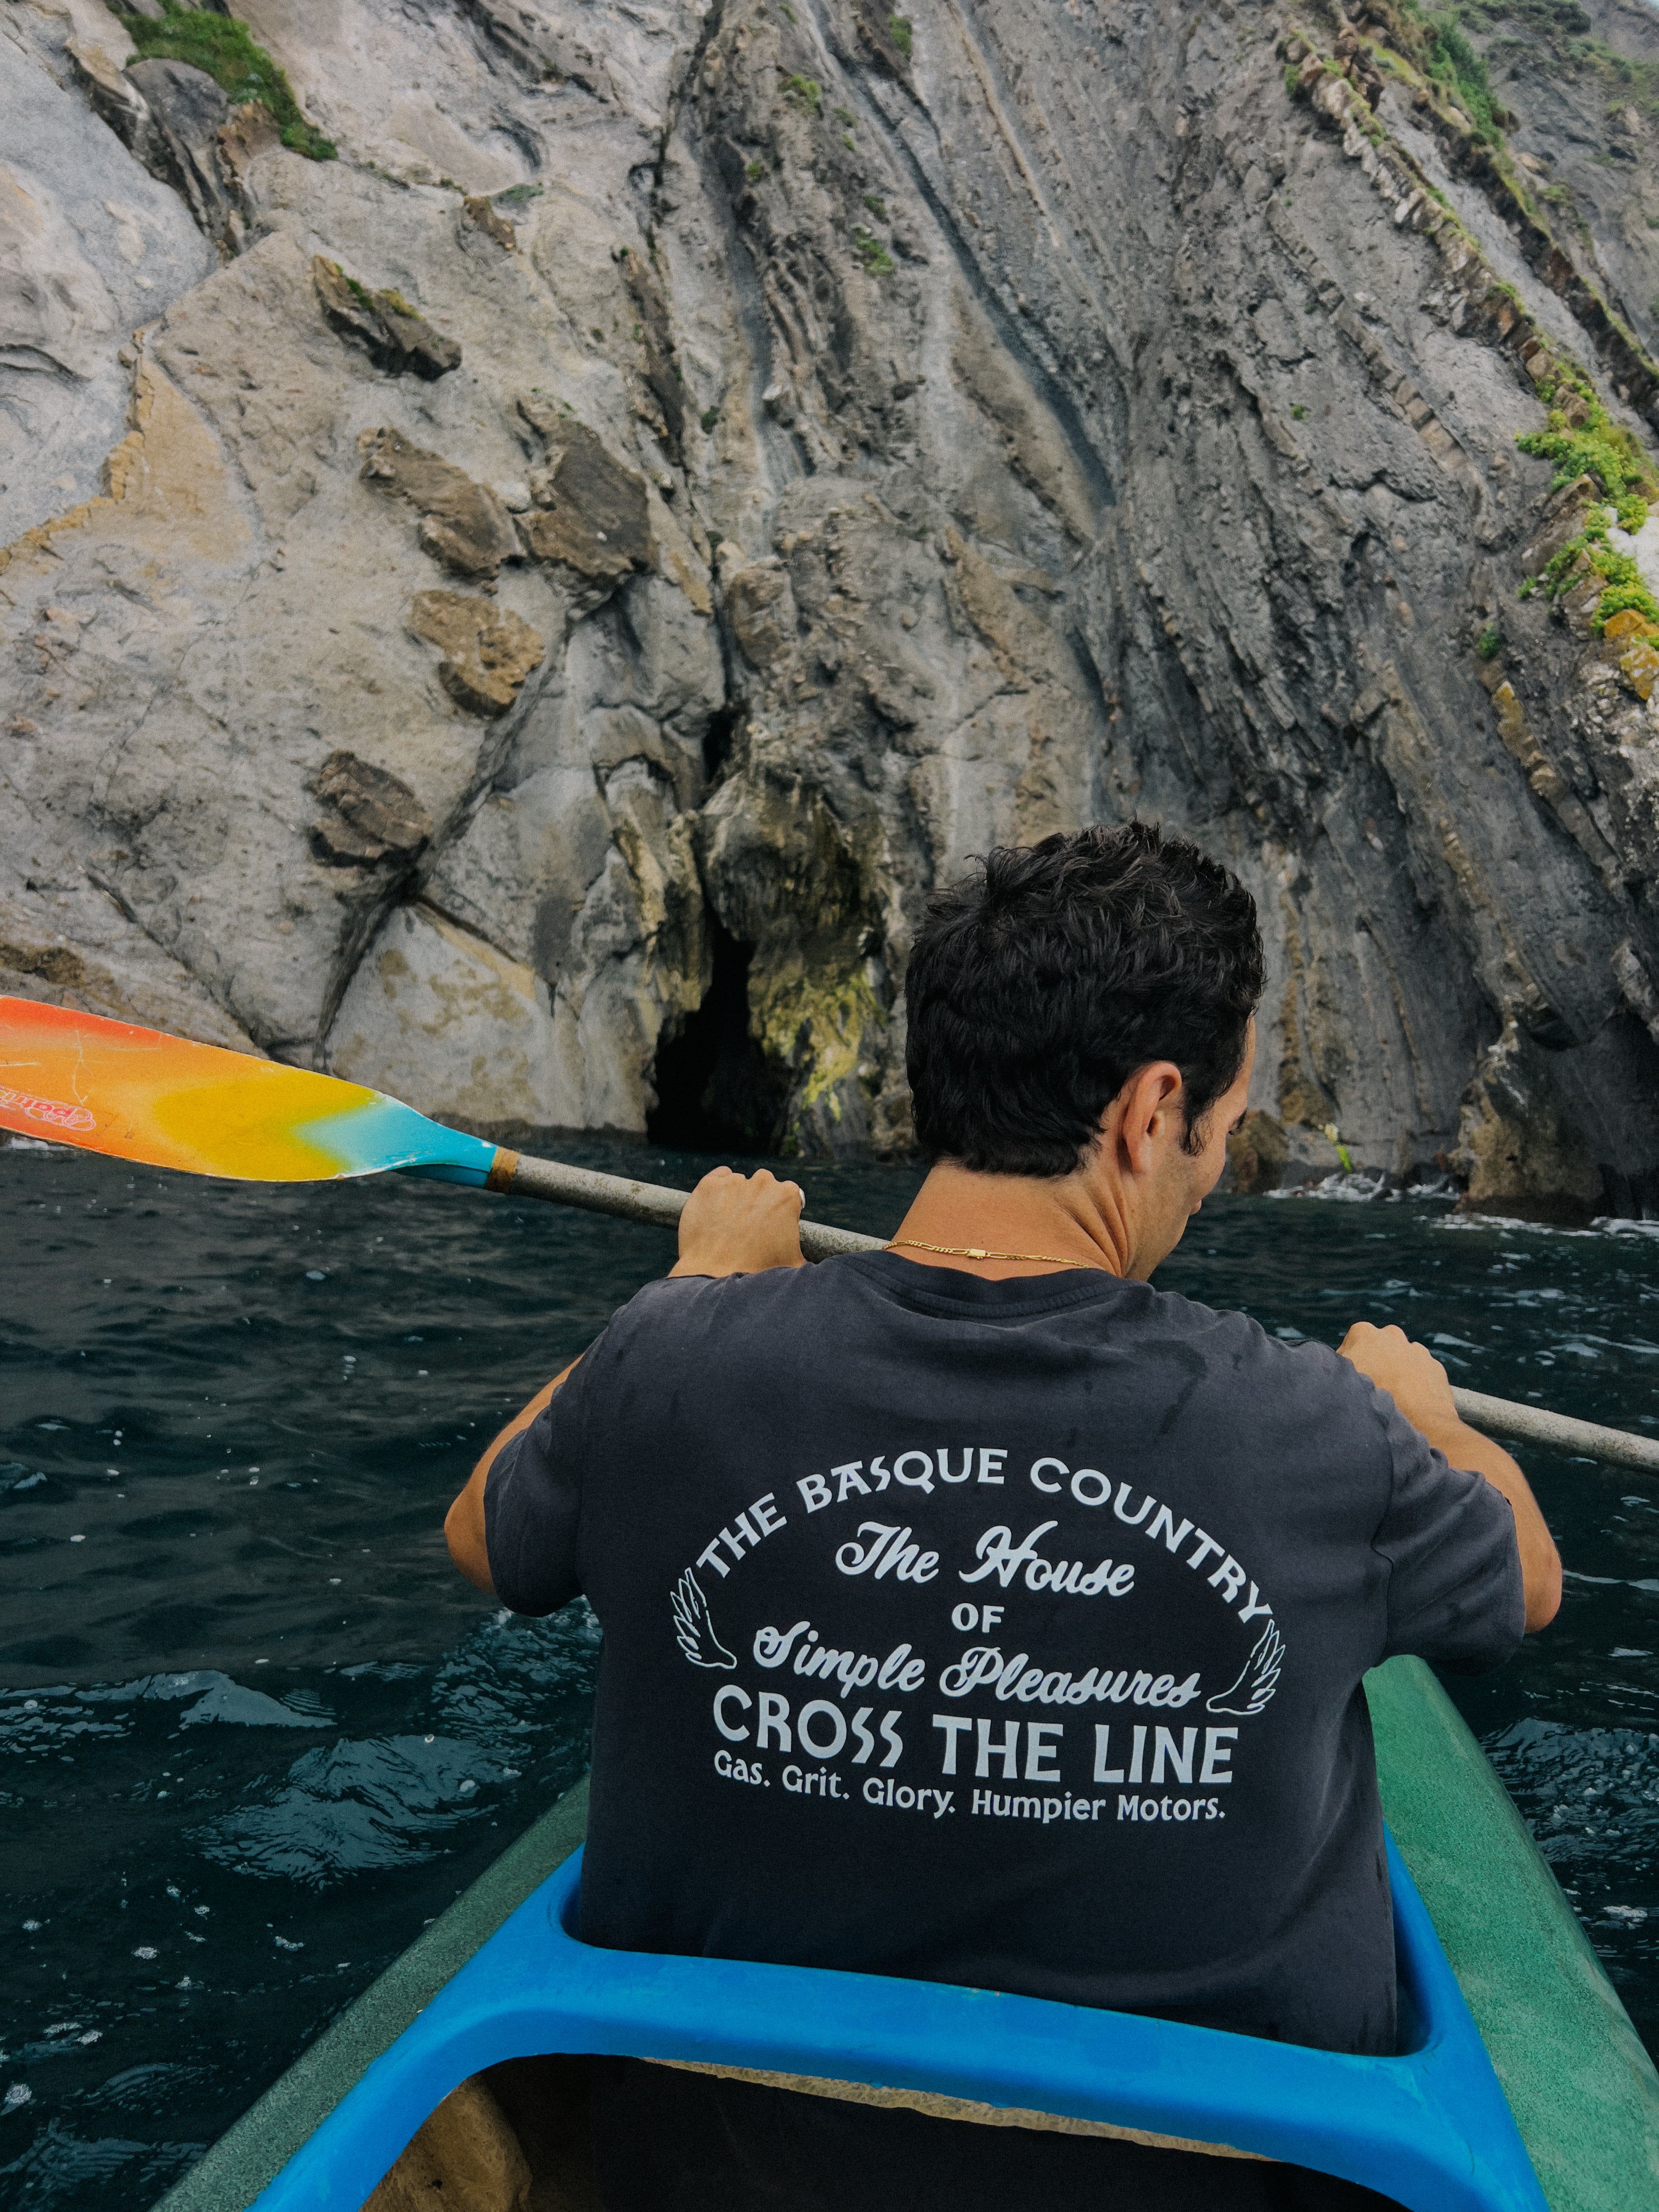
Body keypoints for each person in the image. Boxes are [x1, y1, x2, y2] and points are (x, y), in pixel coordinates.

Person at [445, 822, 1560, 2212]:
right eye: (1224, 1126)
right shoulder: (1323, 1430)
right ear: (1151, 1112)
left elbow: (487, 1533)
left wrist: (696, 1286)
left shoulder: (669, 1364)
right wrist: (1424, 1413)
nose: (1215, 1166)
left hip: (714, 2175)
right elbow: (1525, 1581)